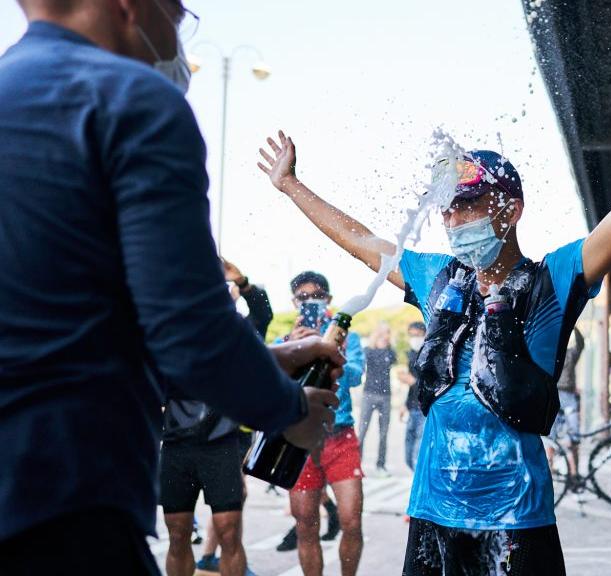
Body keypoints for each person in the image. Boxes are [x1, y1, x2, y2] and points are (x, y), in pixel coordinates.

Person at [257, 34, 611, 574]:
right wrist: (291, 185)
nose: (453, 219)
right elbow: (361, 240)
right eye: (446, 209)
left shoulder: (555, 279)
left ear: (511, 208)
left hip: (517, 521)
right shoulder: (437, 278)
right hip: (433, 515)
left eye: (468, 204)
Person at [0, 2, 341, 574]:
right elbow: (190, 334)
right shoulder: (130, 99)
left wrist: (273, 358)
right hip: (63, 501)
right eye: (180, 15)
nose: (179, 35)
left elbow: (87, 329)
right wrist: (290, 410)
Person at [163, 260, 270, 576]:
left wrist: (242, 282)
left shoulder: (238, 335)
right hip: (176, 446)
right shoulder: (170, 333)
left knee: (229, 533)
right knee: (178, 535)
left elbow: (263, 314)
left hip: (221, 445)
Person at [275, 271, 366, 576]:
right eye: (302, 297)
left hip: (339, 436)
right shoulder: (285, 341)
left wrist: (329, 348)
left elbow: (355, 376)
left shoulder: (346, 336)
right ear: (294, 302)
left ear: (328, 299)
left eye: (316, 296)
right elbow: (271, 382)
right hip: (299, 442)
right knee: (305, 525)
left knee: (352, 521)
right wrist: (294, 347)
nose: (309, 302)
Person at [359, 324, 398, 476]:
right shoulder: (368, 351)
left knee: (383, 432)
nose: (384, 336)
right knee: (362, 431)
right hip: (369, 394)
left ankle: (380, 465)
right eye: (382, 333)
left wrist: (387, 344)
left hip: (385, 396)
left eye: (387, 333)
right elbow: (363, 365)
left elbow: (393, 359)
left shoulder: (390, 352)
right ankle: (357, 465)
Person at [550, 327, 585, 474]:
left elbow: (580, 343)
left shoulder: (571, 354)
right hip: (554, 396)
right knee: (550, 436)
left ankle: (574, 473)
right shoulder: (549, 354)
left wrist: (572, 325)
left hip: (568, 397)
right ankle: (550, 468)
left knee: (574, 437)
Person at [399, 322, 428, 472]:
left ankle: (419, 482)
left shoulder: (430, 354)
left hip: (425, 410)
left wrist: (415, 382)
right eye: (412, 335)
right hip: (412, 408)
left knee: (418, 453)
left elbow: (433, 384)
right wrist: (405, 404)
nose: (414, 338)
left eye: (418, 335)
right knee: (408, 455)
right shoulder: (411, 354)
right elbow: (411, 386)